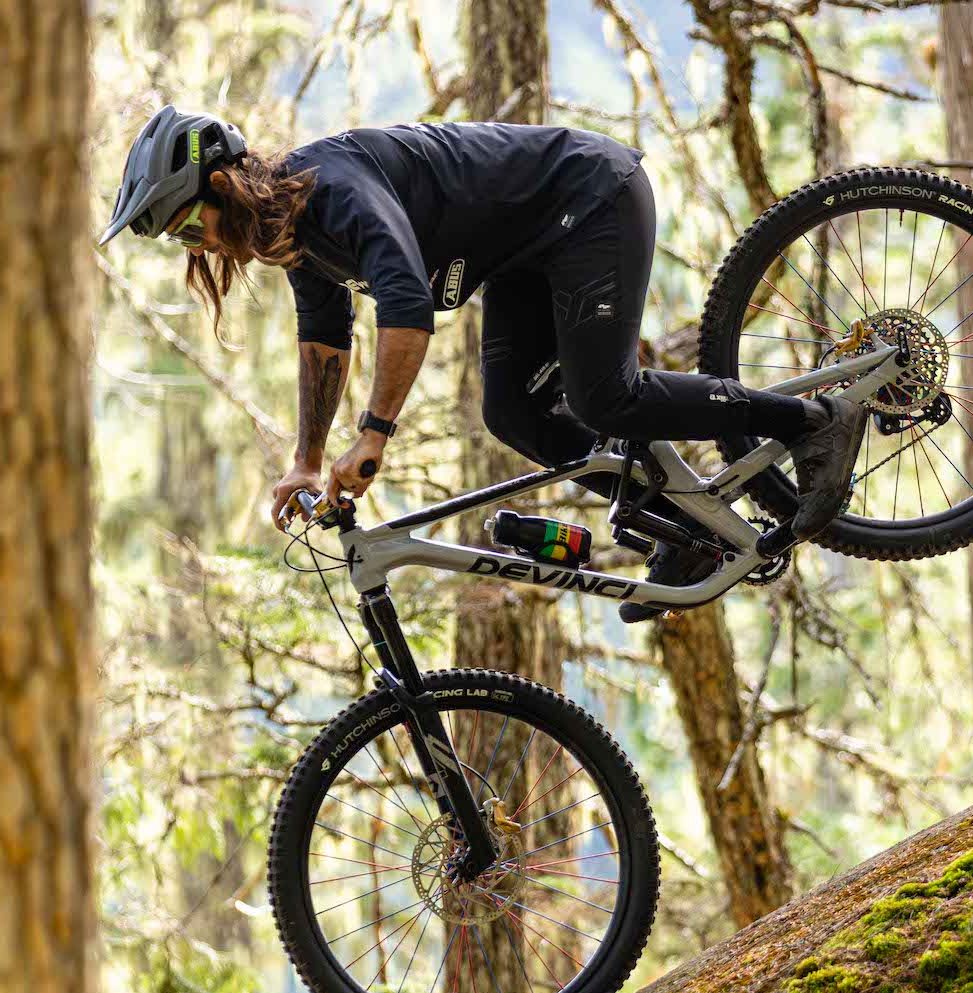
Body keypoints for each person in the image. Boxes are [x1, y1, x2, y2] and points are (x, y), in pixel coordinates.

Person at [97, 106, 866, 622]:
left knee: (603, 396)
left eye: (186, 226)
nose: (195, 247)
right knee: (512, 412)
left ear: (222, 186)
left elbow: (406, 305)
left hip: (591, 198)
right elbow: (325, 339)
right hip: (525, 251)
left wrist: (373, 434)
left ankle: (810, 420)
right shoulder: (291, 229)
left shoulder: (331, 191)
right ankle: (687, 529)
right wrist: (305, 457)